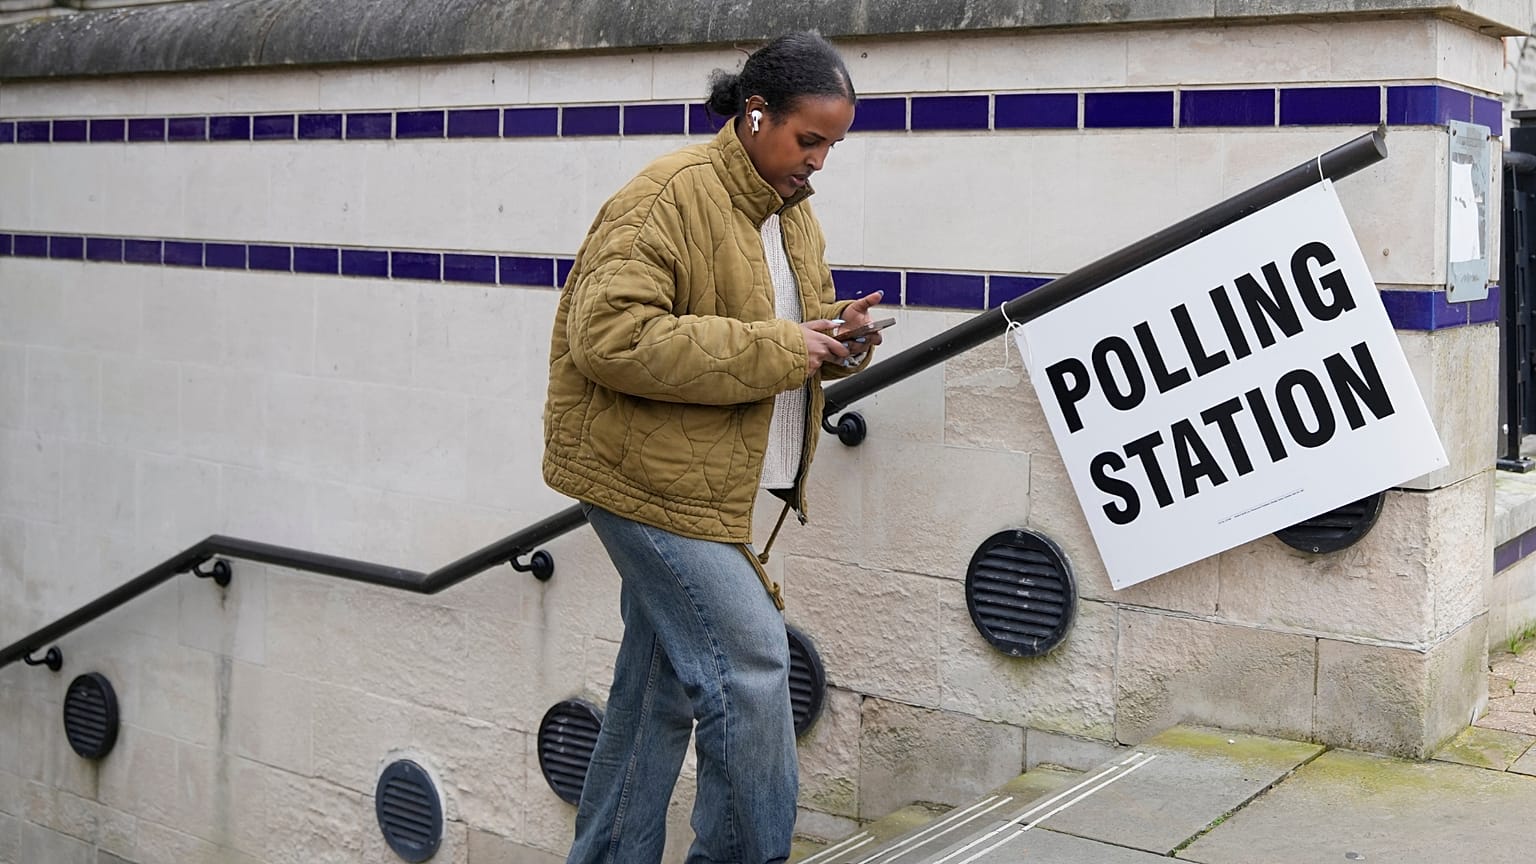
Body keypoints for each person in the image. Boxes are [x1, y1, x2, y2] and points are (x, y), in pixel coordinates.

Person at [541, 30, 883, 864]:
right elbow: (610, 337)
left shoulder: (790, 212)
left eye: (832, 145)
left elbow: (786, 324)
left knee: (655, 690)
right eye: (811, 140)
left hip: (707, 485)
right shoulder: (667, 195)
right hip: (639, 480)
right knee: (754, 664)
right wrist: (779, 348)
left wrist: (841, 336)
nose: (820, 162)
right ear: (756, 114)